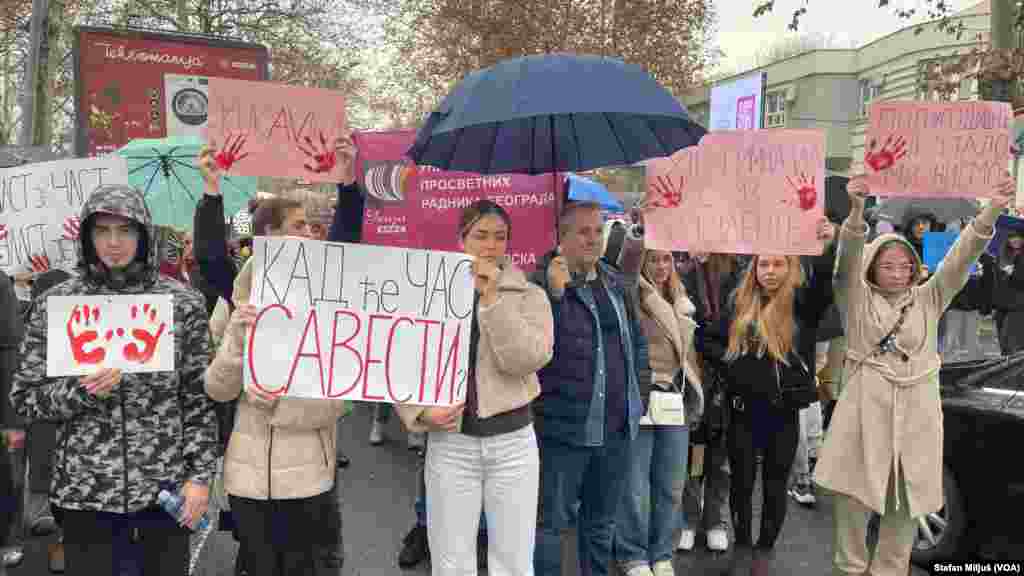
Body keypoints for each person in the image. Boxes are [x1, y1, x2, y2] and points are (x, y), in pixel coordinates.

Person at [9, 184, 220, 575]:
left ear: (144, 234)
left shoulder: (182, 304)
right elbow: (25, 397)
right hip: (84, 496)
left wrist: (201, 478)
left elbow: (198, 400)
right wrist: (80, 390)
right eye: (102, 231)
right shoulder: (57, 303)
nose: (114, 242)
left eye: (125, 231)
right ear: (87, 237)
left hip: (163, 491)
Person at [815, 174, 1015, 576]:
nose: (898, 271)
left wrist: (993, 208)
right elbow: (846, 263)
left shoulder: (929, 297)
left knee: (902, 519)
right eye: (887, 265)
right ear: (872, 269)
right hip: (863, 415)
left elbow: (962, 256)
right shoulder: (856, 298)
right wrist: (856, 212)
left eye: (905, 264)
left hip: (916, 418)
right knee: (852, 521)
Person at [196, 146, 353, 576]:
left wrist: (349, 182)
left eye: (310, 227)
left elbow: (342, 399)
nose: (309, 234)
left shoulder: (330, 301)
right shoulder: (241, 294)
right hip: (247, 481)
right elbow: (217, 387)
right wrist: (211, 190)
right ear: (270, 239)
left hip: (309, 480)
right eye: (297, 227)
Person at [395, 200, 552, 576]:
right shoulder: (431, 295)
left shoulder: (530, 296)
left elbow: (527, 359)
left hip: (514, 443)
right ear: (461, 240)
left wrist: (493, 301)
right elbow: (401, 360)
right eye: (480, 235)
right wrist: (418, 412)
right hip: (452, 443)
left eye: (500, 237)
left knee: (514, 560)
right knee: (451, 560)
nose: (490, 245)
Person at [698, 219, 836, 576]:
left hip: (783, 413)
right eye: (764, 264)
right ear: (754, 268)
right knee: (741, 484)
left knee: (776, 485)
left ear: (789, 267)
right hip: (742, 412)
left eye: (778, 264)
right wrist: (734, 367)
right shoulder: (738, 302)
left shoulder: (801, 304)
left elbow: (824, 284)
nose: (770, 271)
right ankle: (743, 546)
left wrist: (824, 246)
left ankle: (764, 552)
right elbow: (706, 340)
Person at [531, 201, 649, 576]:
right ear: (560, 237)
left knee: (600, 525)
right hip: (566, 431)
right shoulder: (540, 283)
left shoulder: (614, 280)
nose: (593, 239)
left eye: (598, 230)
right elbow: (535, 350)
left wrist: (638, 398)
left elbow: (637, 343)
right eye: (583, 232)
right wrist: (554, 294)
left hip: (616, 430)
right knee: (552, 525)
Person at [614, 249, 703, 576]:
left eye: (667, 259)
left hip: (674, 399)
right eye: (654, 259)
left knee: (671, 483)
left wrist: (696, 396)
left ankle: (662, 552)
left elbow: (689, 356)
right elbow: (622, 263)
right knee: (636, 483)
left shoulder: (681, 298)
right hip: (640, 395)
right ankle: (633, 554)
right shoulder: (630, 293)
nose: (662, 266)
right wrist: (637, 233)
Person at [678, 253, 742, 553]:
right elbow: (690, 329)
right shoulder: (686, 276)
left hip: (731, 381)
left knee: (722, 457)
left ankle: (715, 520)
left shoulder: (742, 276)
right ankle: (688, 518)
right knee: (696, 454)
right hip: (697, 376)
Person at [991, 228, 1024, 354]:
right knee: (1002, 340)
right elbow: (996, 281)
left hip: (1018, 305)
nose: (1015, 240)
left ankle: (1014, 368)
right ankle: (1005, 367)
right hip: (1002, 303)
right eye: (1012, 237)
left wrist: (1013, 274)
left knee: (1011, 339)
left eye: (1018, 237)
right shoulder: (1002, 254)